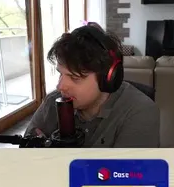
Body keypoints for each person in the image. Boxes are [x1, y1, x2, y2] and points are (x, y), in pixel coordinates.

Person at [22, 23, 160, 148]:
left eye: (74, 78)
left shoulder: (140, 112)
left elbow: (125, 168)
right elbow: (26, 151)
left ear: (108, 78)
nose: (60, 86)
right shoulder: (54, 101)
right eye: (61, 74)